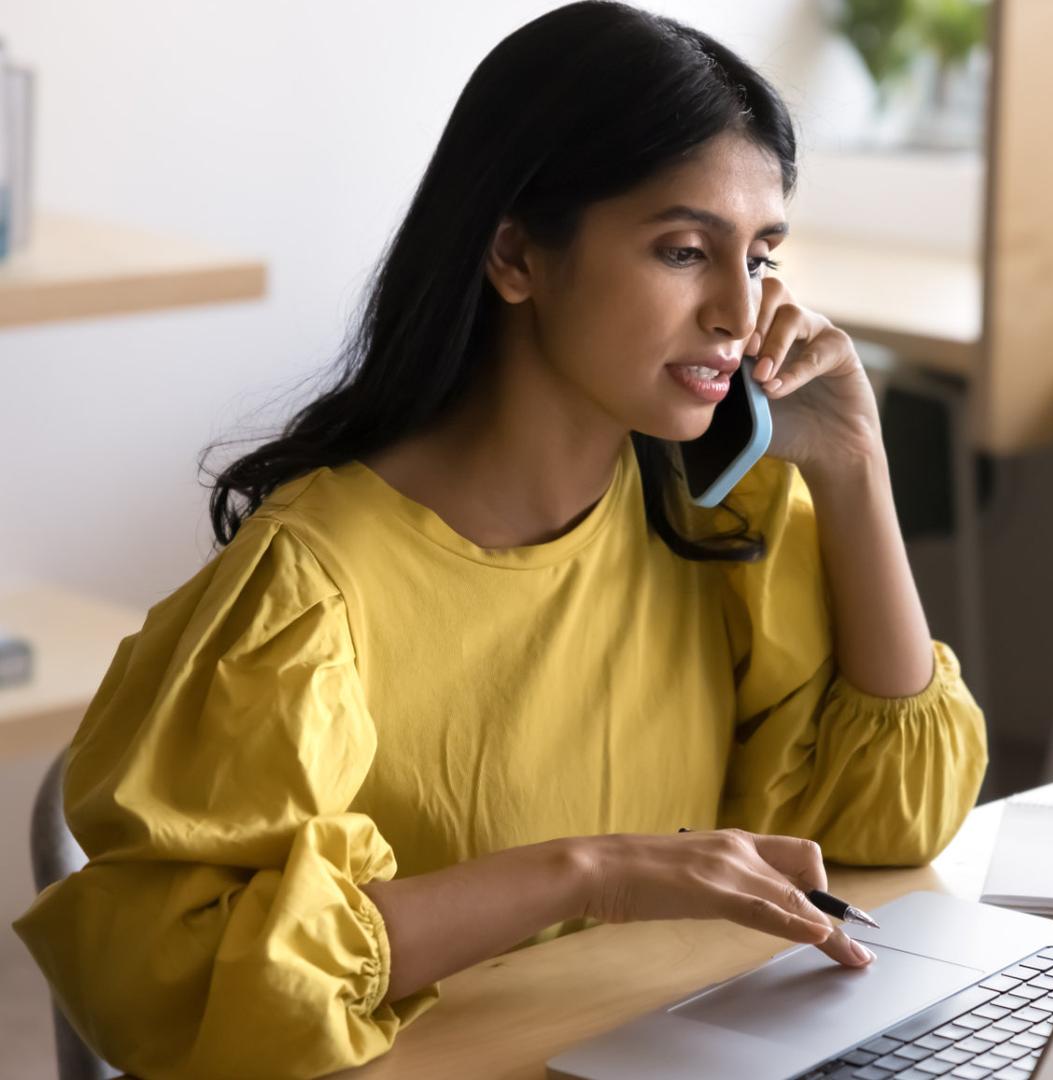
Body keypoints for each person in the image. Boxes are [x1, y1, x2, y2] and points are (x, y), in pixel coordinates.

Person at [15, 3, 988, 1077]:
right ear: (517, 253)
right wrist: (591, 874)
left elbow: (893, 818)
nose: (736, 309)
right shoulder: (308, 590)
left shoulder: (723, 520)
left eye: (760, 257)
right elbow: (183, 974)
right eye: (682, 249)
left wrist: (855, 470)